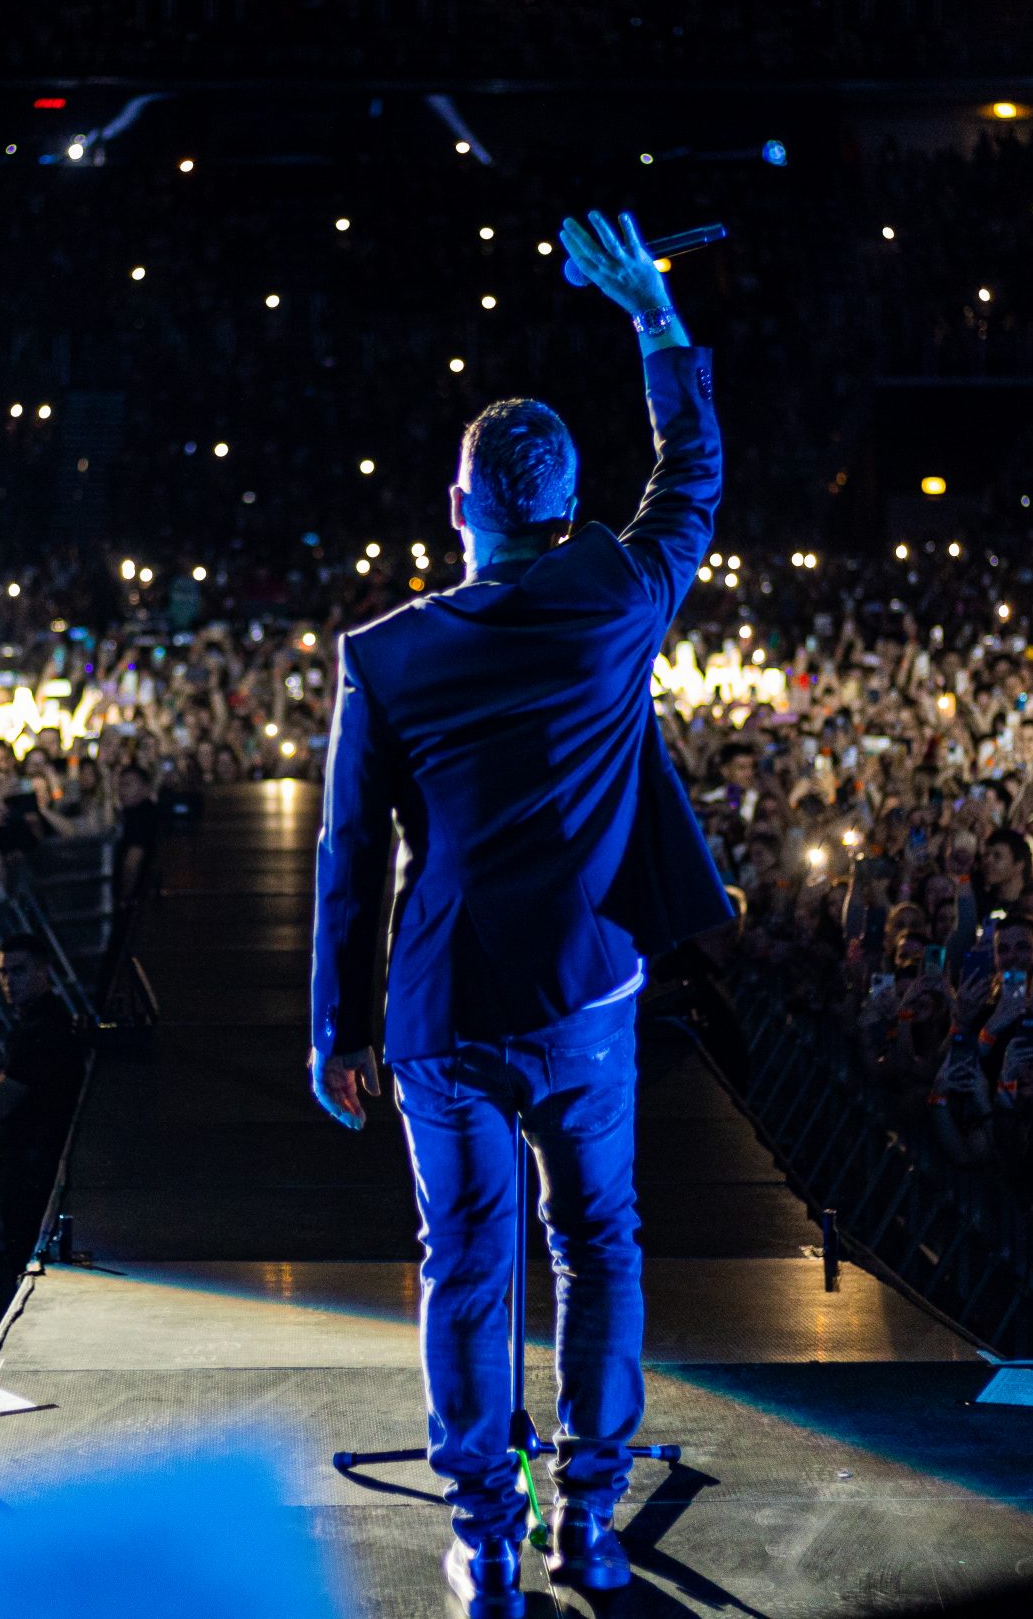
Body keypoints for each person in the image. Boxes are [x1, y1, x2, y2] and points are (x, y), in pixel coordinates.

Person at [307, 209, 726, 1615]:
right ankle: (591, 1522)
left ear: (459, 503)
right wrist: (654, 315)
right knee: (598, 1241)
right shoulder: (618, 590)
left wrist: (334, 1028)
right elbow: (695, 473)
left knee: (466, 1262)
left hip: (436, 1007)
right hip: (587, 993)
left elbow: (350, 852)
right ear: (566, 501)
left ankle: (486, 1533)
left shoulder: (388, 652)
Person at [0, 933, 87, 1262]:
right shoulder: (40, 1023)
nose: (9, 981)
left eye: (19, 971)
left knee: (25, 1250)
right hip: (34, 1159)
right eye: (3, 973)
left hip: (34, 1163)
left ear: (45, 971)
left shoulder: (41, 1029)